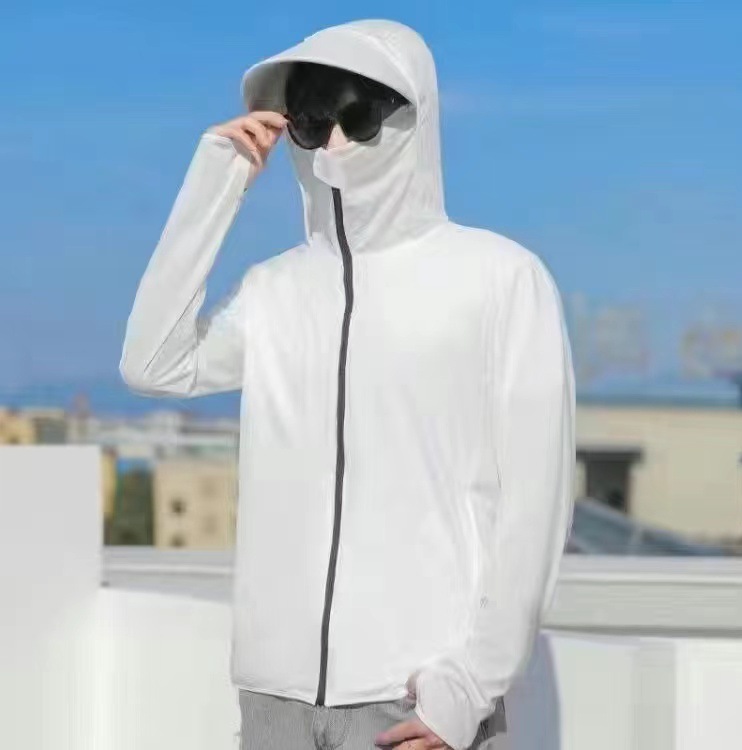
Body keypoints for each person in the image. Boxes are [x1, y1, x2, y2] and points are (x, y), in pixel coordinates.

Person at [119, 18, 576, 750]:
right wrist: (215, 186)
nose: (331, 141)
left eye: (355, 113)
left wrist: (467, 690)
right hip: (275, 698)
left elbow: (536, 499)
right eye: (309, 117)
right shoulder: (275, 289)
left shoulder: (499, 278)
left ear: (411, 120)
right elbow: (152, 364)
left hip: (415, 697)